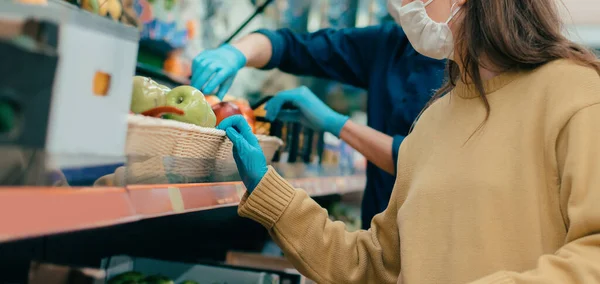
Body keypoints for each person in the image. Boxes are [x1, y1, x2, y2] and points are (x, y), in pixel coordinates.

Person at [216, 0, 600, 283]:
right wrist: (268, 191)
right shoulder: (431, 122)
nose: (402, 6)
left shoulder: (576, 94)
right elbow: (376, 265)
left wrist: (337, 123)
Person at [191, 18, 446, 229]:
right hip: (379, 232)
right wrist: (237, 52)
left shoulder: (473, 72)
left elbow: (424, 163)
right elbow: (293, 47)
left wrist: (337, 124)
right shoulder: (393, 43)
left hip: (431, 243)